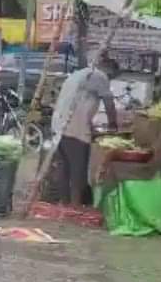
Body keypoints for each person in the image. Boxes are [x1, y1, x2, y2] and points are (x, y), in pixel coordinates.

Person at [50, 54, 118, 206]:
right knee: (78, 169)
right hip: (75, 127)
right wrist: (113, 124)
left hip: (59, 123)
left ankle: (65, 202)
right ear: (109, 70)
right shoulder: (99, 75)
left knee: (64, 167)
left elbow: (82, 101)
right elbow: (109, 102)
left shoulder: (78, 74)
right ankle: (75, 204)